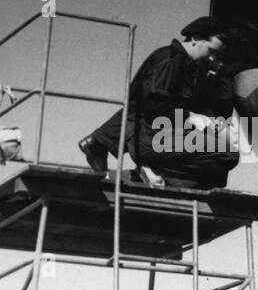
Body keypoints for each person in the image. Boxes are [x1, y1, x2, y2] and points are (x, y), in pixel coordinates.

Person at [79, 17, 231, 183]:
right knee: (227, 153)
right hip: (150, 135)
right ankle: (152, 169)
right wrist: (193, 117)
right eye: (212, 52)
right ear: (195, 39)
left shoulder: (181, 64)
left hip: (146, 133)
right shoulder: (170, 61)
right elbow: (153, 105)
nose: (212, 59)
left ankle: (103, 143)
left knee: (218, 171)